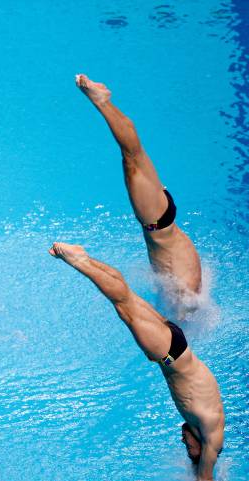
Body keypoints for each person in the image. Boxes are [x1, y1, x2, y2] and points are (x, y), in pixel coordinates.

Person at [48, 242, 224, 481]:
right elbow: (206, 479)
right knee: (122, 303)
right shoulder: (211, 435)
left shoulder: (206, 425)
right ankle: (78, 261)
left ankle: (85, 257)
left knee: (126, 299)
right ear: (202, 449)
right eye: (189, 449)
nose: (184, 443)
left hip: (175, 347)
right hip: (170, 354)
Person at [75, 74, 202, 313]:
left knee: (134, 154)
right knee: (131, 157)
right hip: (155, 221)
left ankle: (104, 102)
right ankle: (101, 102)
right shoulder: (183, 298)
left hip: (165, 216)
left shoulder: (191, 287)